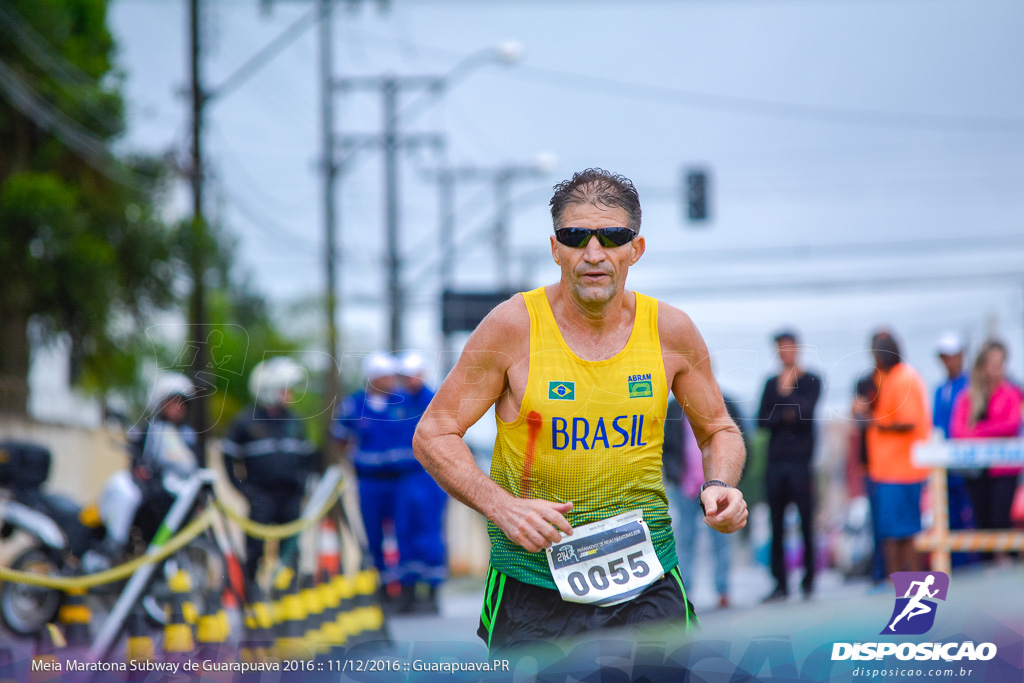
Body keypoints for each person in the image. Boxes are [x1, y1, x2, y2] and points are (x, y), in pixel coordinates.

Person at [413, 168, 747, 650]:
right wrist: (502, 508)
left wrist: (720, 486)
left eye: (612, 236)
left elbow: (719, 430)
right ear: (555, 249)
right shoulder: (512, 327)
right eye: (575, 237)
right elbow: (434, 433)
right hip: (535, 584)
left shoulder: (671, 330)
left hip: (648, 580)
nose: (594, 254)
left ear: (636, 248)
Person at [222, 357, 319, 584]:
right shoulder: (245, 421)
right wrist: (246, 492)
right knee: (255, 549)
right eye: (285, 390)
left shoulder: (295, 421)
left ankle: (287, 597)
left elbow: (308, 459)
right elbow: (228, 458)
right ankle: (251, 595)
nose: (290, 394)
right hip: (261, 497)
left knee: (291, 551)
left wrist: (303, 489)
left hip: (290, 497)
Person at [332, 353, 415, 602]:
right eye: (385, 376)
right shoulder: (354, 405)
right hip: (369, 481)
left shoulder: (403, 402)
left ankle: (406, 587)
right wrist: (350, 460)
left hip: (400, 480)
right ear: (373, 378)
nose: (391, 380)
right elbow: (339, 437)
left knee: (404, 530)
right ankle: (380, 586)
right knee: (373, 532)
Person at [101, 372, 200, 558]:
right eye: (172, 402)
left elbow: (193, 466)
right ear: (161, 403)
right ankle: (115, 547)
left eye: (181, 402)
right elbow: (137, 461)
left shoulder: (188, 434)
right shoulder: (151, 431)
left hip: (178, 495)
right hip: (153, 493)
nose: (177, 408)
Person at [663, 394, 744, 609]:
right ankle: (685, 590)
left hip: (717, 486)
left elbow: (738, 438)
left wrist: (730, 480)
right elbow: (665, 445)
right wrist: (675, 475)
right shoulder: (672, 408)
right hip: (685, 486)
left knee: (721, 538)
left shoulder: (724, 403)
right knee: (685, 539)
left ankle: (723, 589)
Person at [757, 330, 821, 601]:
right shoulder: (770, 383)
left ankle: (809, 580)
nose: (786, 352)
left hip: (801, 463)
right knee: (776, 524)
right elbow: (762, 420)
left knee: (807, 523)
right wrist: (786, 408)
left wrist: (784, 403)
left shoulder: (811, 380)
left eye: (789, 347)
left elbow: (806, 413)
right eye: (781, 348)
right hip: (776, 464)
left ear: (798, 349)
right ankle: (780, 583)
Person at [865, 332, 931, 575]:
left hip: (902, 471)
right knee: (892, 531)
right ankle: (899, 585)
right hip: (889, 470)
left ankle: (907, 584)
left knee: (903, 532)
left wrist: (877, 423)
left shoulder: (904, 378)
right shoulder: (888, 378)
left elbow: (910, 421)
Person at [950, 339, 1023, 558]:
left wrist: (978, 431)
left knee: (1000, 519)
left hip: (1004, 469)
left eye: (1001, 363)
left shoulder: (1010, 393)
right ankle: (988, 565)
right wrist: (988, 432)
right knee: (982, 520)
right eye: (993, 363)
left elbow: (1010, 425)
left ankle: (1006, 564)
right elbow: (958, 431)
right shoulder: (968, 396)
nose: (998, 369)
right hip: (977, 471)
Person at [394, 350, 449, 613]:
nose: (409, 379)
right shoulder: (399, 402)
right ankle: (408, 592)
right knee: (404, 533)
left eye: (413, 374)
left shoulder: (436, 400)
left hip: (430, 478)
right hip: (404, 478)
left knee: (429, 534)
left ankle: (432, 593)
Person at [931, 331, 977, 567]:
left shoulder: (971, 386)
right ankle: (955, 566)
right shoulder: (940, 390)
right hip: (945, 469)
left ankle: (974, 564)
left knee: (970, 516)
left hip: (968, 467)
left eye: (953, 355)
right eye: (945, 356)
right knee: (947, 519)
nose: (950, 361)